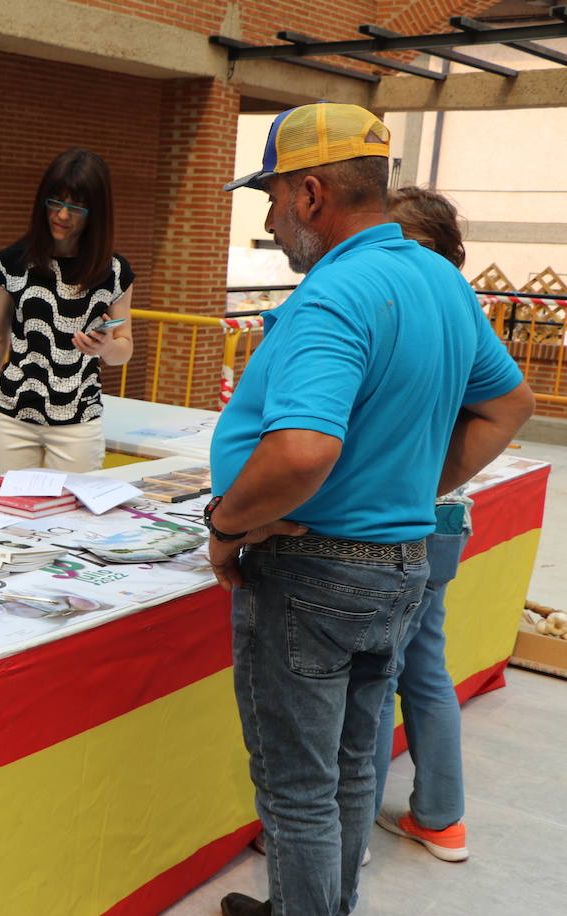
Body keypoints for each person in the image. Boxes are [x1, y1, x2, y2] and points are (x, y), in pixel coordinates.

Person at [208, 103, 533, 916]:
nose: (271, 219)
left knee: (298, 789)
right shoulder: (437, 281)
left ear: (312, 193)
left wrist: (226, 525)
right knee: (355, 764)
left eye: (273, 197)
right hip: (397, 567)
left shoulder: (335, 295)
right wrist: (410, 490)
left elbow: (302, 451)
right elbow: (509, 405)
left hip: (313, 571)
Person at [371, 187, 475, 863]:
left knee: (375, 676)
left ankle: (350, 834)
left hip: (403, 516)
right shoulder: (465, 314)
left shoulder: (406, 311)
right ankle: (441, 816)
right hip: (442, 518)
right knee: (423, 667)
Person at [0, 148, 134, 475]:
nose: (62, 216)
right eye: (55, 202)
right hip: (14, 415)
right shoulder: (13, 262)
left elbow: (123, 349)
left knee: (73, 520)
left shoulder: (113, 271)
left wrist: (107, 346)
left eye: (76, 207)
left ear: (96, 212)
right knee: (10, 515)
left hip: (78, 420)